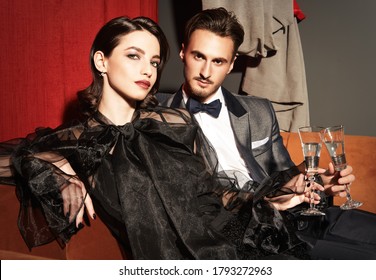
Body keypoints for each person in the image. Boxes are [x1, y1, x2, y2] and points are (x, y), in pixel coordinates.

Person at [0, 15, 322, 260]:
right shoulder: (81, 139)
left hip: (229, 243)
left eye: (154, 61)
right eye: (133, 56)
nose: (148, 70)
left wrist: (264, 200)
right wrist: (58, 168)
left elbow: (211, 193)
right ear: (102, 61)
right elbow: (13, 156)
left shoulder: (174, 121)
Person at [158, 7, 376, 259]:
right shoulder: (159, 121)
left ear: (231, 63)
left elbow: (286, 177)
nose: (206, 72)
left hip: (302, 215)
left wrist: (320, 185)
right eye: (198, 56)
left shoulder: (259, 111)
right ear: (183, 52)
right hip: (257, 235)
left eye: (218, 61)